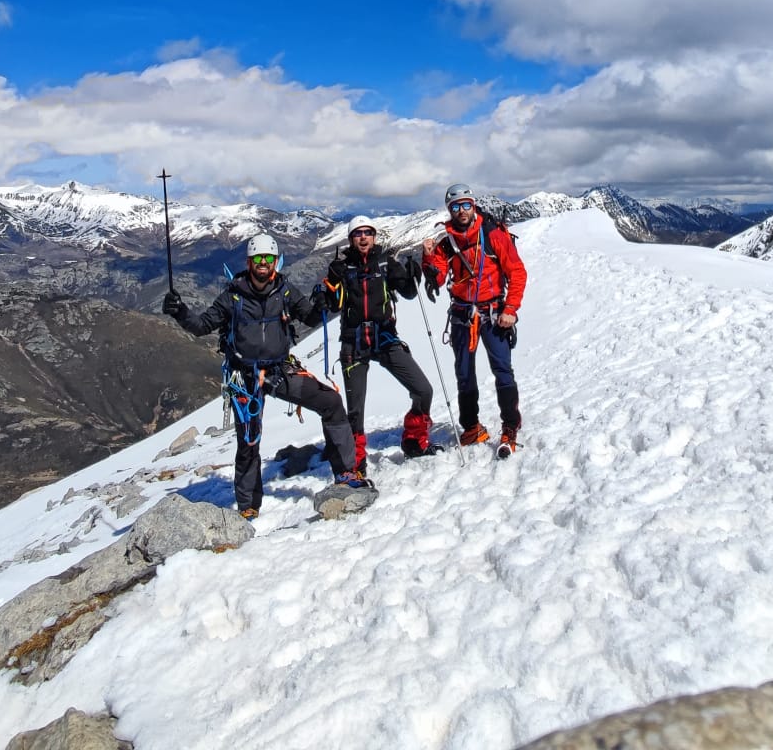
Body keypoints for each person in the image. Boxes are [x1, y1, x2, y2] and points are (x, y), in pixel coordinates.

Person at [162, 232, 366, 519]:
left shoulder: (284, 291)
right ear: (249, 261)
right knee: (248, 439)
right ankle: (248, 505)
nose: (263, 263)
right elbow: (202, 325)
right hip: (244, 377)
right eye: (258, 258)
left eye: (268, 258)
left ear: (276, 262)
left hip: (279, 369)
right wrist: (180, 312)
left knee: (330, 402)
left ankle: (346, 472)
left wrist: (323, 302)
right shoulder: (233, 296)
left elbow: (308, 316)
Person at [321, 216, 443, 473]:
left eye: (367, 233)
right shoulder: (343, 268)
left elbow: (408, 293)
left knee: (423, 390)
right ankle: (355, 461)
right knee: (356, 409)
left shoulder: (386, 263)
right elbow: (332, 305)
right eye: (358, 234)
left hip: (385, 338)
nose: (363, 237)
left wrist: (411, 274)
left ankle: (413, 441)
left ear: (374, 236)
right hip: (354, 344)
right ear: (351, 239)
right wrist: (331, 284)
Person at [422, 184, 527, 452]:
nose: (462, 211)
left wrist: (510, 309)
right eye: (455, 206)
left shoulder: (493, 235)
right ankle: (471, 427)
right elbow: (438, 275)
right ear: (449, 210)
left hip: (493, 313)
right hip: (463, 314)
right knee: (465, 373)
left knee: (502, 370)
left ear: (473, 205)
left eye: (466, 204)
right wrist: (428, 258)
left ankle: (510, 427)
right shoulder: (447, 241)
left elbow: (516, 272)